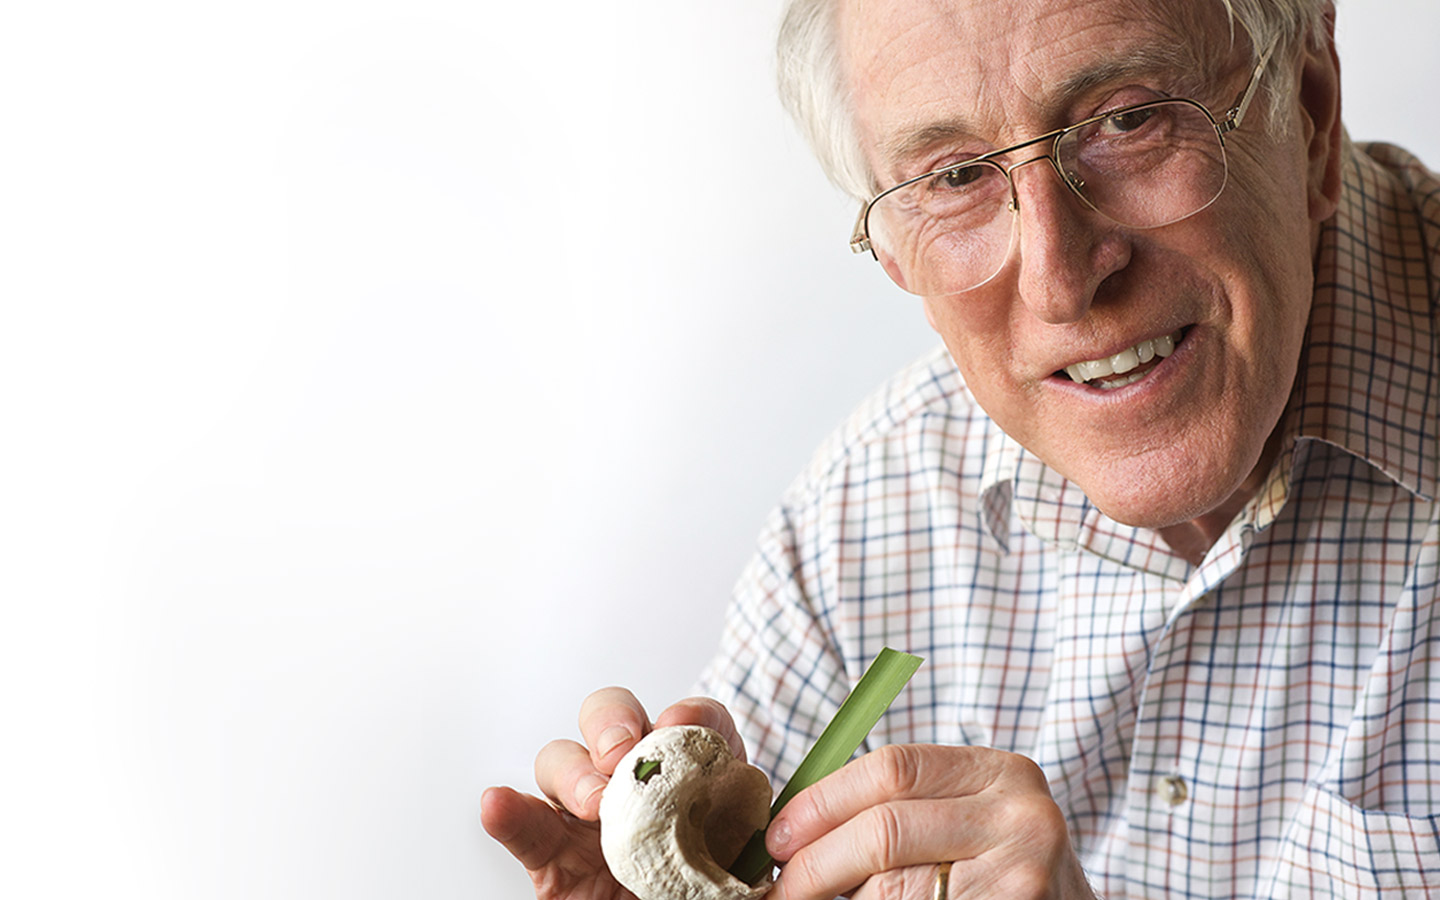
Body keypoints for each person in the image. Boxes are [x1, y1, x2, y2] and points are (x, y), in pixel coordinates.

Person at [483, 0, 1440, 896]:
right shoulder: (855, 531)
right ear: (894, 249)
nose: (1062, 280)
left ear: (1309, 113)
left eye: (1126, 120)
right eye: (955, 177)